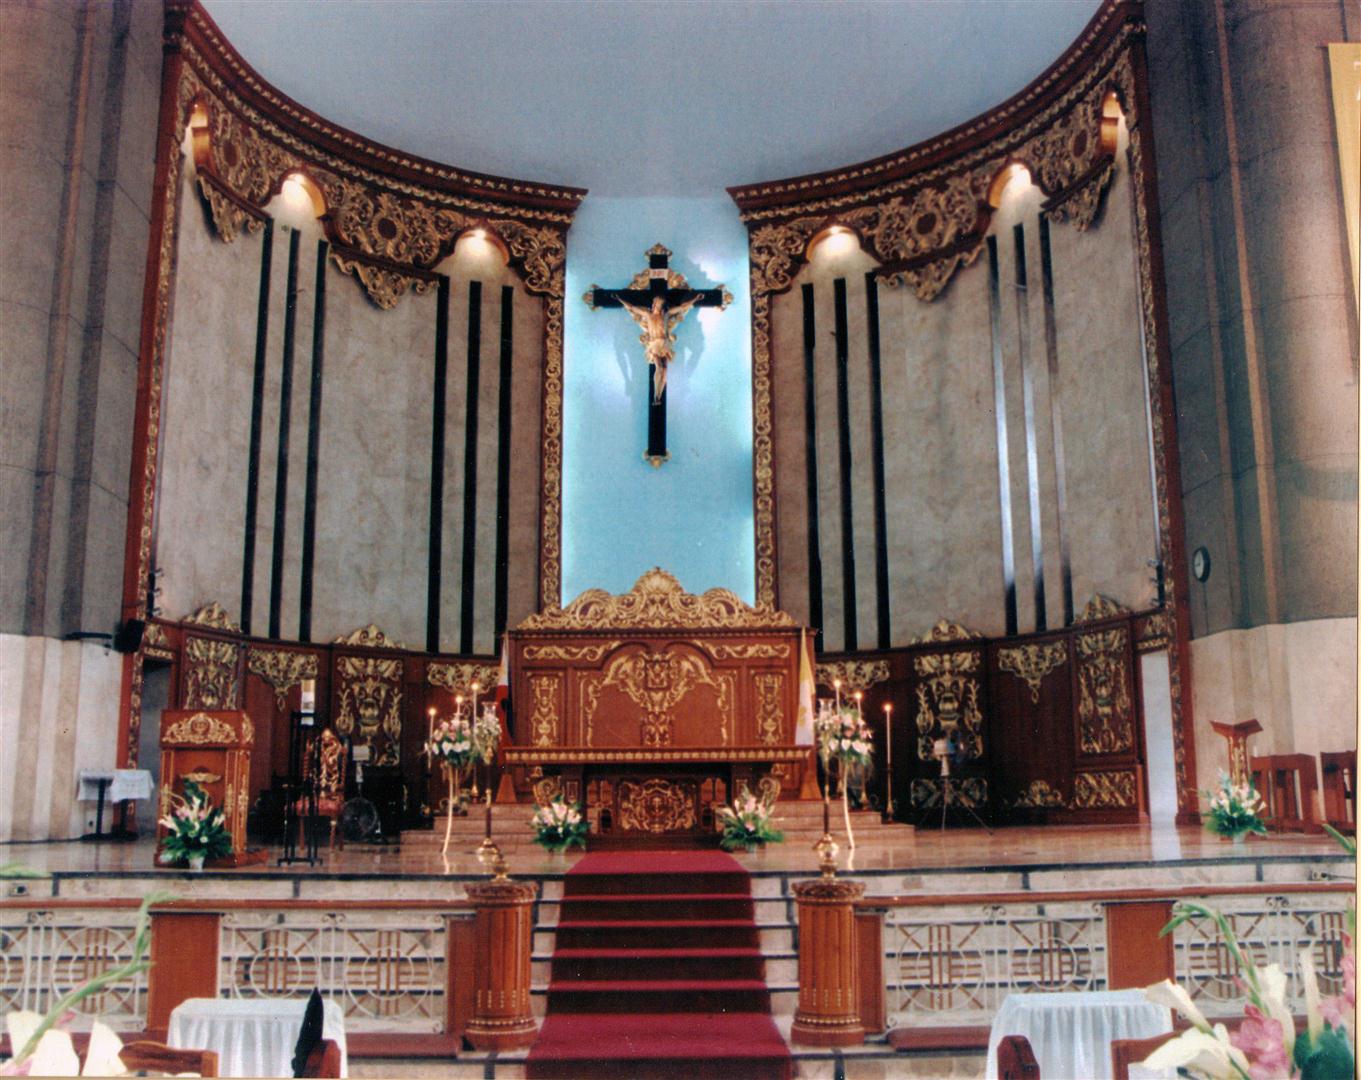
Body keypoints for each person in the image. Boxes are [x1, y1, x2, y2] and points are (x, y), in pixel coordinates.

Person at [616, 293, 699, 402]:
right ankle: (656, 393)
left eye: (662, 305)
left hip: (664, 344)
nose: (660, 307)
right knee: (659, 367)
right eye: (659, 304)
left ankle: (659, 394)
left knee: (664, 369)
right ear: (654, 304)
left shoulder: (666, 315)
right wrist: (619, 299)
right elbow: (632, 308)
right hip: (654, 344)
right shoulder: (648, 315)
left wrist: (695, 299)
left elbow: (683, 307)